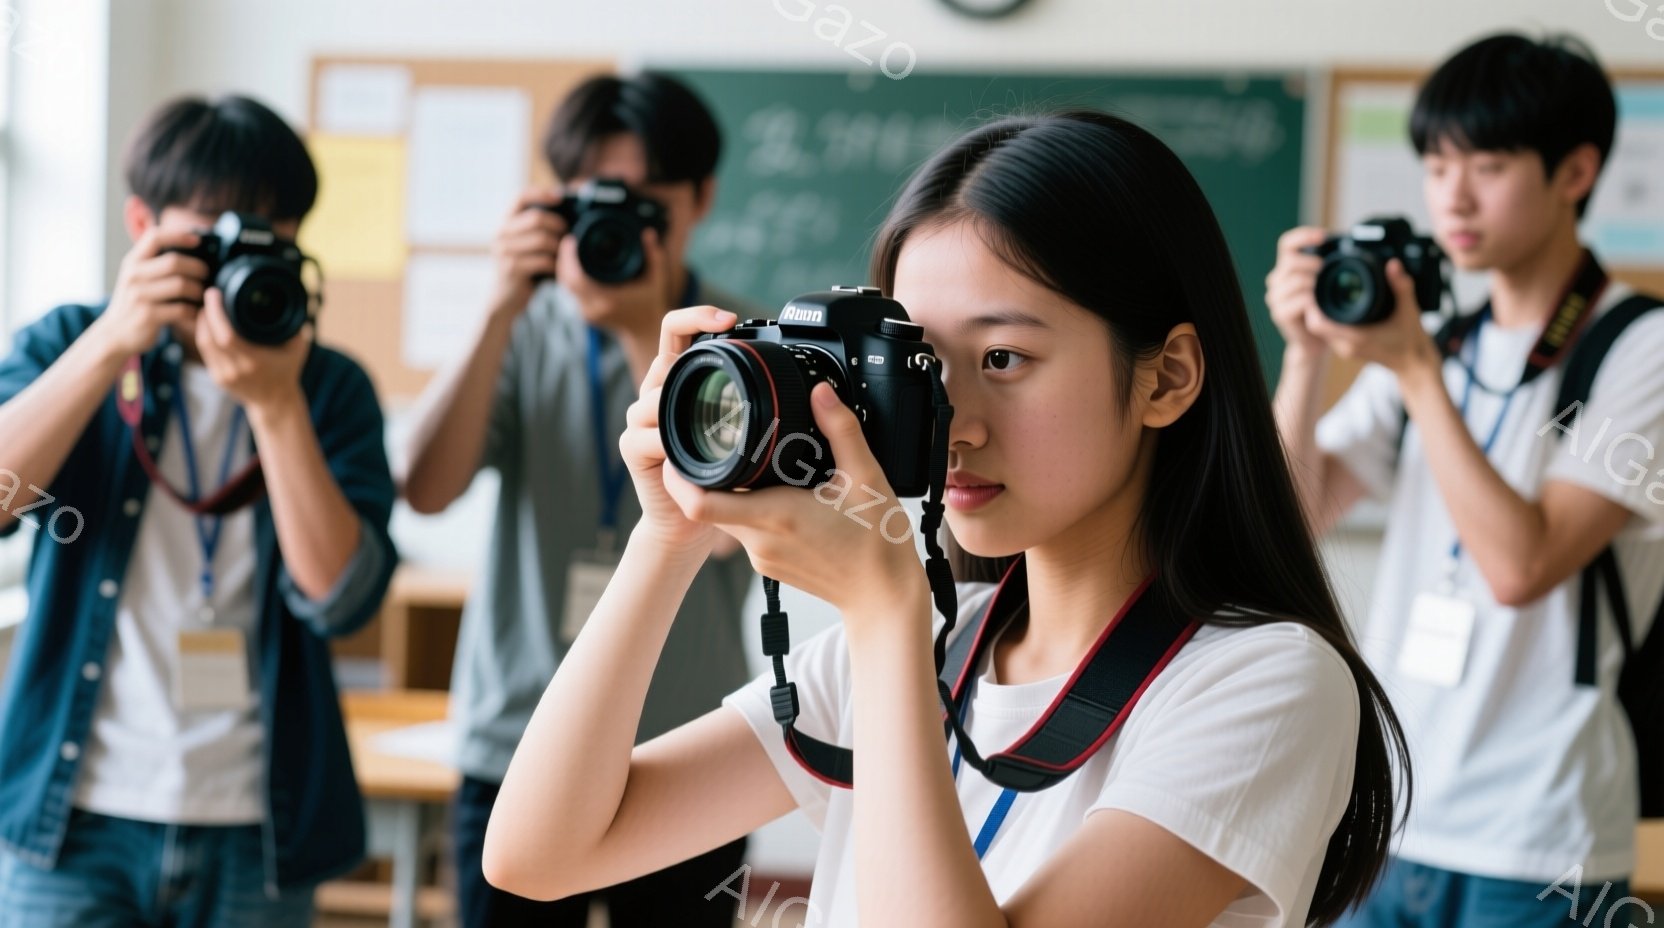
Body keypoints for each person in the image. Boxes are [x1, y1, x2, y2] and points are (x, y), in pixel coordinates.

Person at [480, 108, 1410, 927]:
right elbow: (541, 854)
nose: (951, 425)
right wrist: (670, 537)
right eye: (921, 367)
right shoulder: (934, 643)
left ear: (1165, 376)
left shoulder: (1264, 680)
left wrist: (888, 619)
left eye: (1004, 359)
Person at [1267, 34, 1664, 927]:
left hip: (1538, 840)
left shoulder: (1641, 348)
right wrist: (1303, 360)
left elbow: (1522, 565)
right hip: (1390, 811)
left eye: (1487, 164)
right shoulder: (1443, 343)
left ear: (1575, 172)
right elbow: (1288, 518)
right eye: (1436, 165)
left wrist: (1412, 372)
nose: (1452, 195)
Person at [0, 95, 398, 927]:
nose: (237, 268)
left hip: (260, 826)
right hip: (72, 820)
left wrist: (277, 407)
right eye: (213, 239)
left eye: (272, 240)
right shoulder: (70, 342)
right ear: (142, 223)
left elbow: (340, 599)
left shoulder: (328, 387)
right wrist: (112, 340)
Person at [398, 71, 763, 928]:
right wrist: (499, 306)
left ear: (701, 198)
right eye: (589, 200)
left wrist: (648, 328)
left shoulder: (742, 344)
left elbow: (732, 533)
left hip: (689, 747)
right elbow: (424, 489)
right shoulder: (522, 330)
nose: (615, 225)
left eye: (642, 202)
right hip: (517, 739)